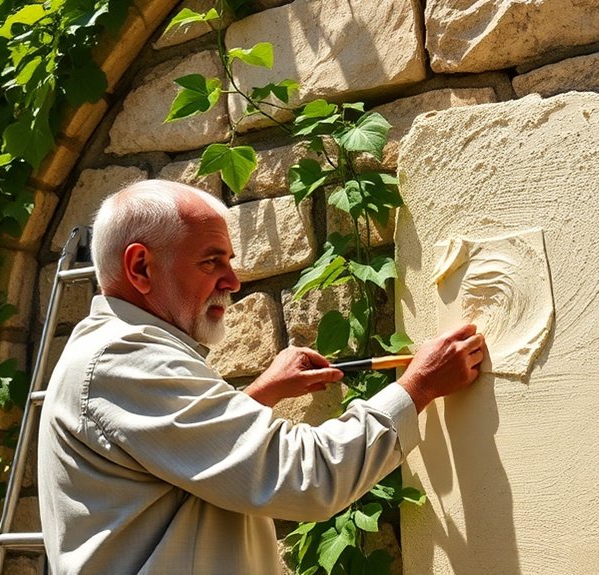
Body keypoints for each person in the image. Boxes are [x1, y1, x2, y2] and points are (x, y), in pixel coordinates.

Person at [36, 180, 485, 574]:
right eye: (211, 261)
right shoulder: (125, 359)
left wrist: (258, 396)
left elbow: (182, 472)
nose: (232, 281)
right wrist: (420, 385)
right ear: (140, 267)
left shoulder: (115, 352)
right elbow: (304, 477)